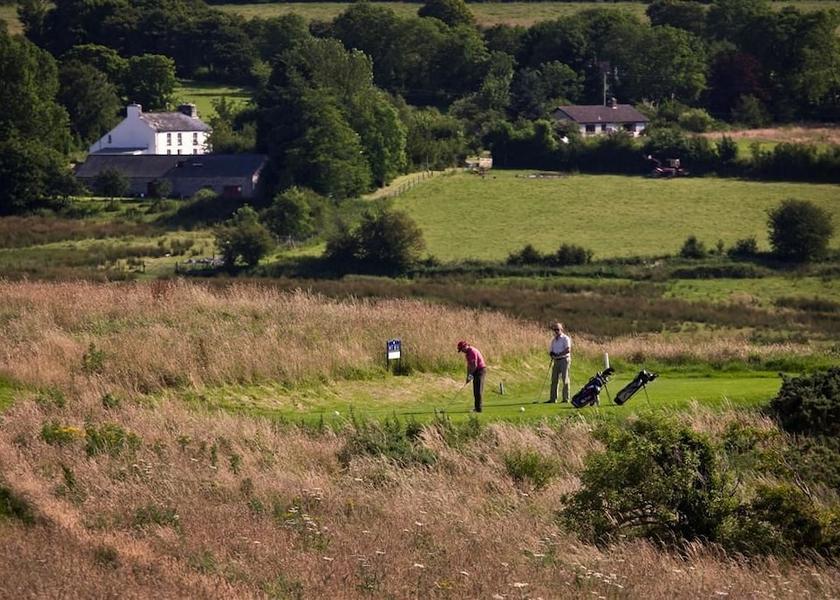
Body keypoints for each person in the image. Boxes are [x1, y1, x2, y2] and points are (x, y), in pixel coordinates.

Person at [457, 340, 487, 413]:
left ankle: (479, 409)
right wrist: (468, 376)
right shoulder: (467, 353)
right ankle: (476, 408)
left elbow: (474, 365)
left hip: (480, 370)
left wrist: (470, 375)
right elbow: (469, 366)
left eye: (462, 349)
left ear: (465, 346)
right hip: (475, 371)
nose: (462, 351)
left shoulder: (472, 351)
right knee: (475, 391)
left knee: (478, 390)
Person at [546, 322, 572, 403]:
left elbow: (568, 349)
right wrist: (552, 354)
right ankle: (553, 399)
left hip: (564, 360)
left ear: (561, 329)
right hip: (556, 361)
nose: (556, 331)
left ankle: (566, 398)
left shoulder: (565, 338)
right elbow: (551, 350)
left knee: (565, 379)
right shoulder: (553, 340)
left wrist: (559, 354)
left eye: (558, 329)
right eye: (555, 330)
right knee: (554, 380)